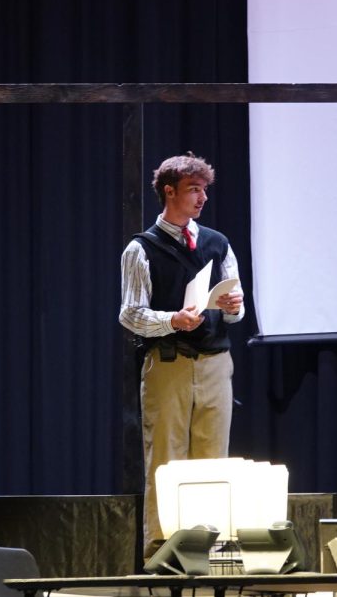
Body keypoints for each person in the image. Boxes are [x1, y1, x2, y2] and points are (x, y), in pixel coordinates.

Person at [119, 152, 246, 561]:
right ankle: (162, 552)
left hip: (214, 363)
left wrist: (231, 304)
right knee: (166, 459)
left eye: (204, 189)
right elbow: (131, 314)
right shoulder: (141, 249)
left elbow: (238, 308)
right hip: (168, 363)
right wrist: (173, 319)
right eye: (194, 189)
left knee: (213, 458)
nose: (202, 197)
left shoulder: (217, 242)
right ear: (168, 192)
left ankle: (210, 550)